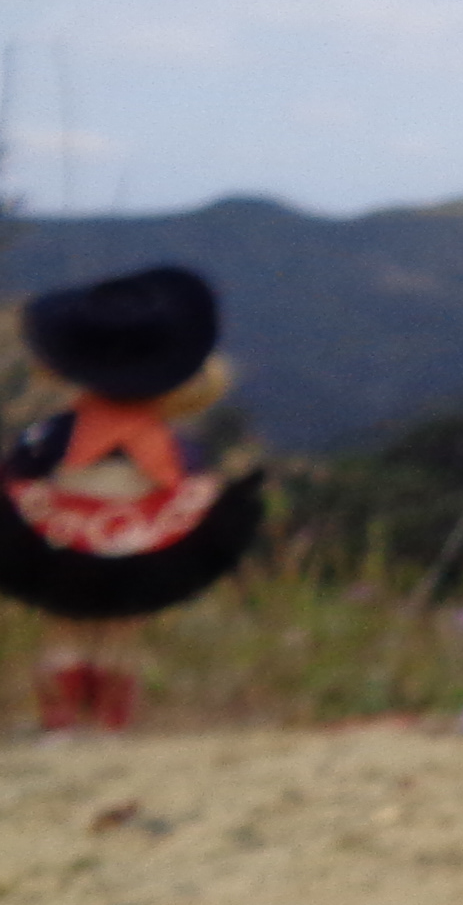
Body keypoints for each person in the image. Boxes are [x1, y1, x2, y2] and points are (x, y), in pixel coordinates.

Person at [0, 264, 265, 730]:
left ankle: (62, 721)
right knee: (122, 630)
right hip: (148, 537)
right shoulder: (171, 442)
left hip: (59, 537)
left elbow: (22, 467)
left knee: (66, 626)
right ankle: (109, 721)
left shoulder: (55, 433)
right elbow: (192, 472)